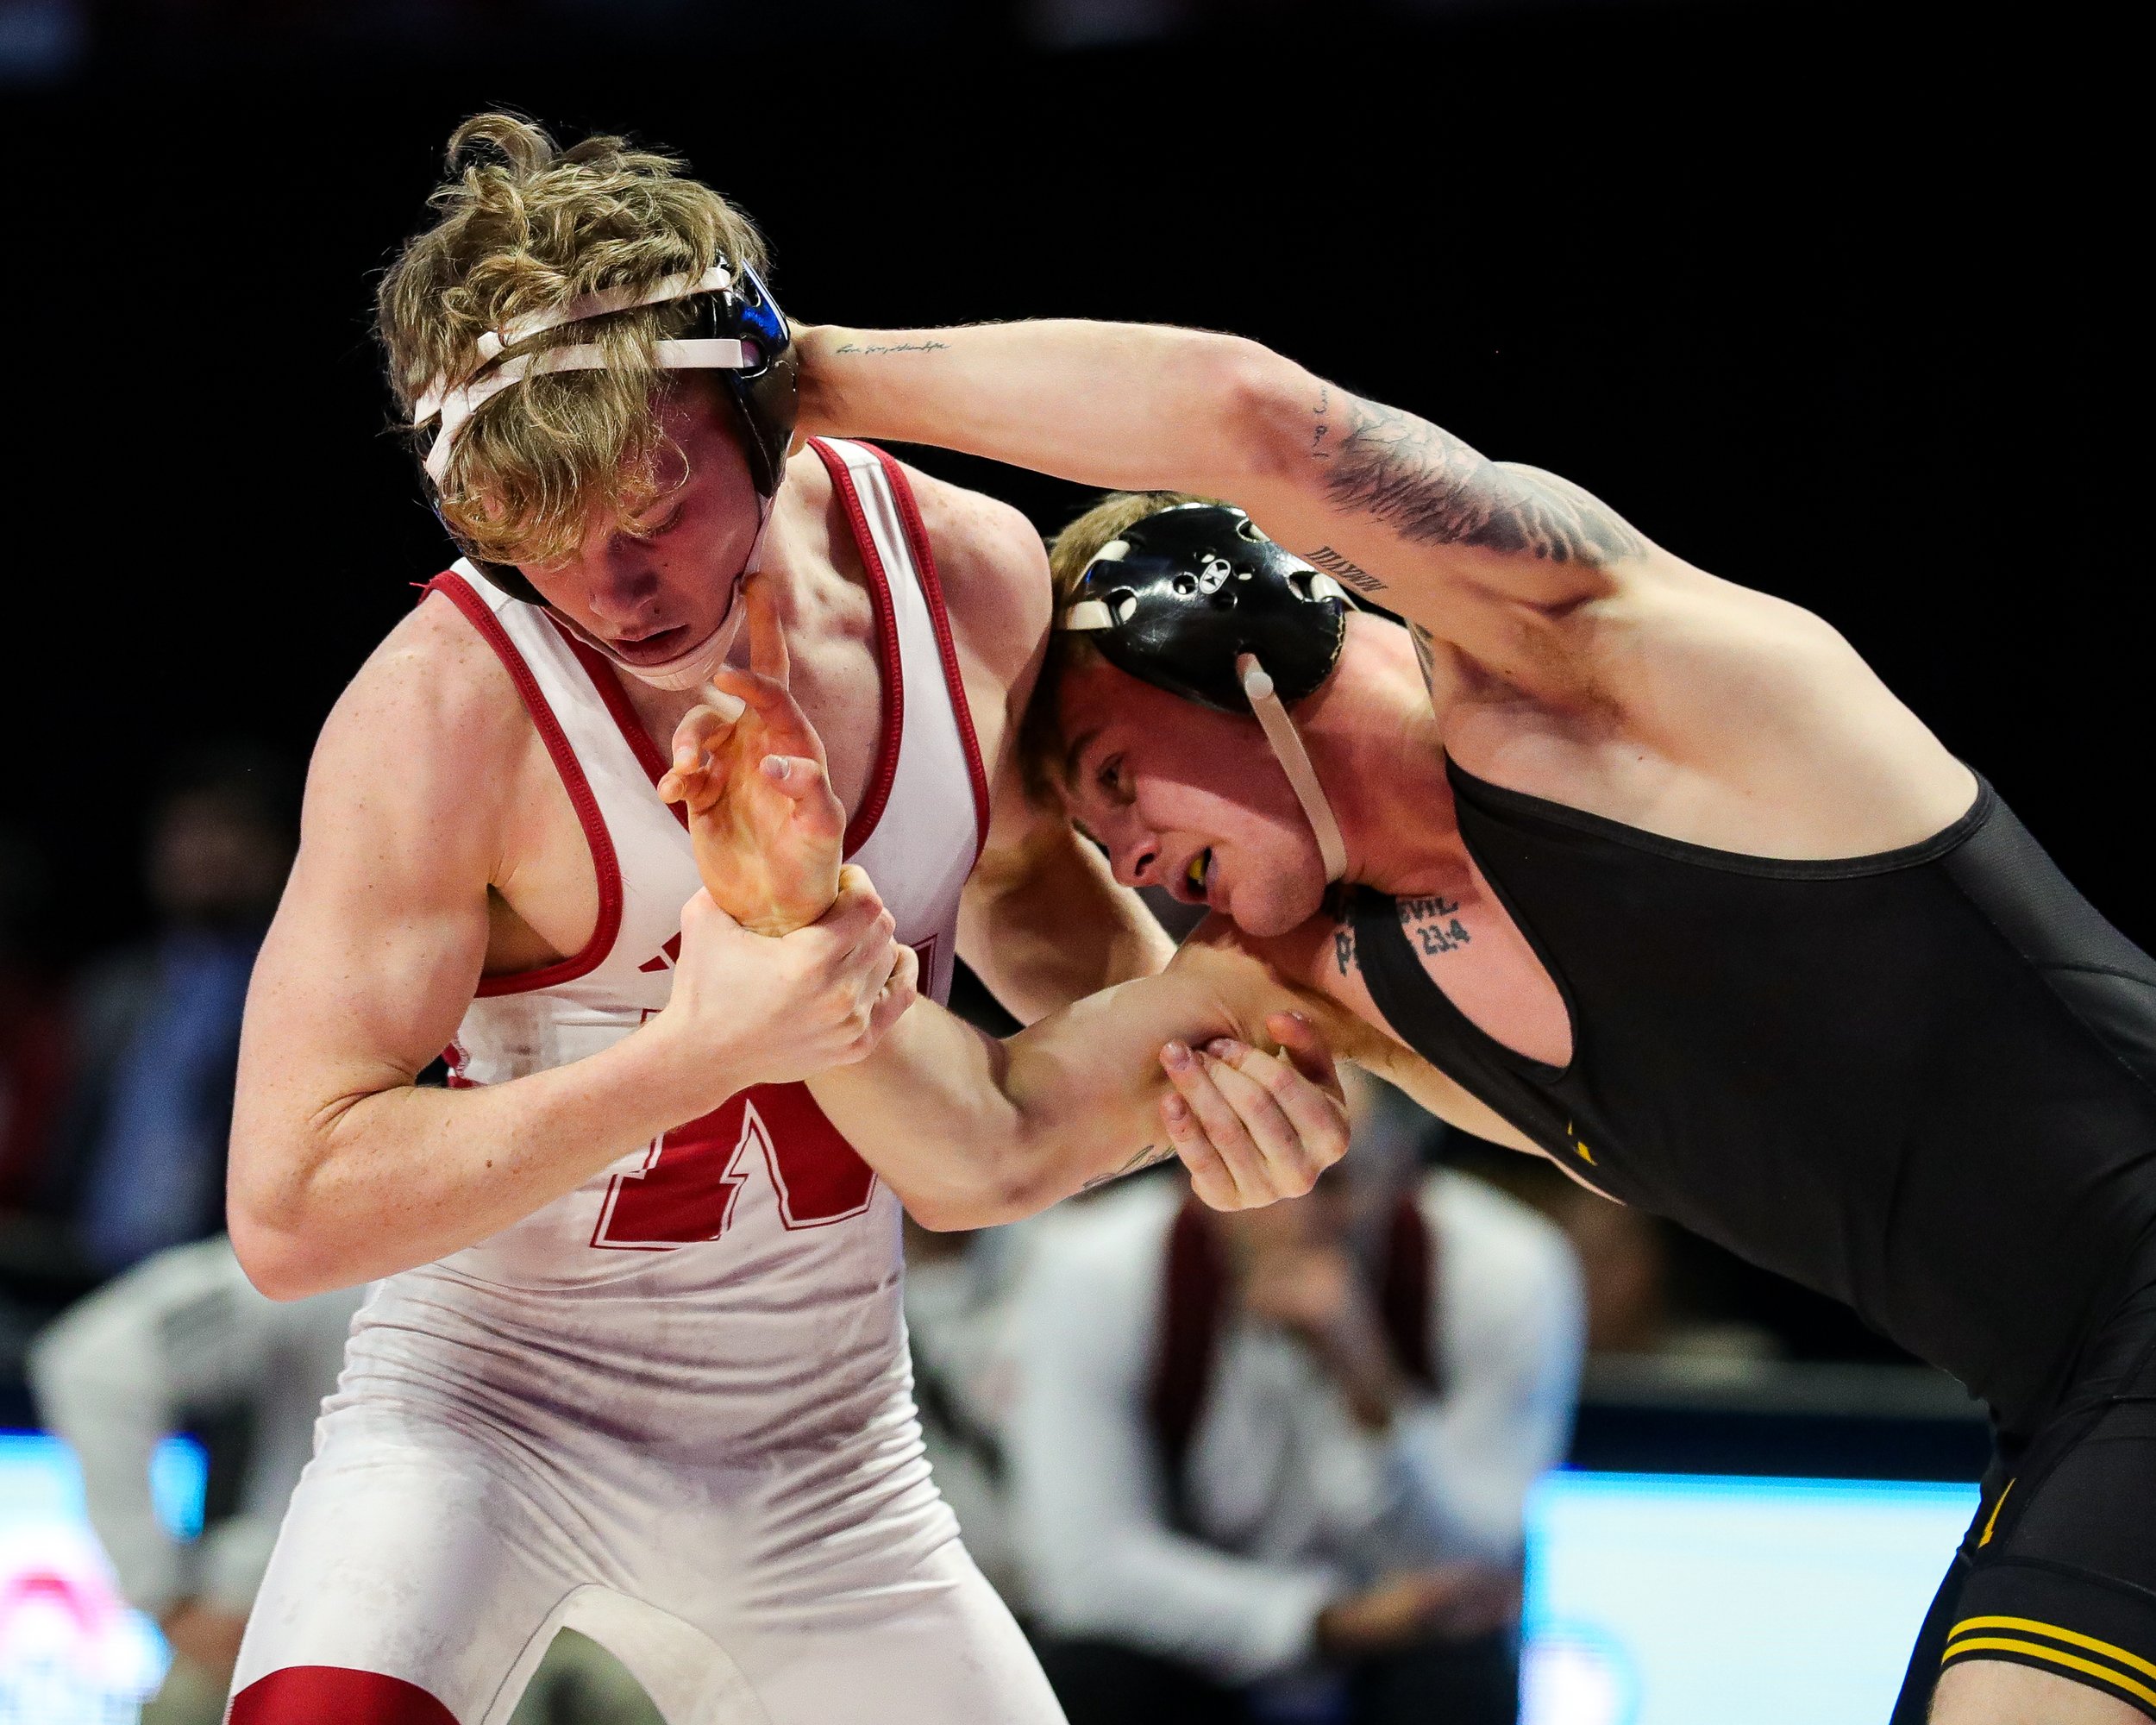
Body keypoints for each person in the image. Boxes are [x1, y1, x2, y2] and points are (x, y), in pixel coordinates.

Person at [793, 316, 2156, 1725]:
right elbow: (986, 1151)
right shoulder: (1314, 980)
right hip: (2060, 1391)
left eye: (1118, 775)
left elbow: (1244, 413)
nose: (1127, 857)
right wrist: (779, 914)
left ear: (1230, 647)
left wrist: (803, 374)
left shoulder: (1586, 672)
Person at [224, 116, 1346, 1725]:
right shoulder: (446, 708)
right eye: (534, 532)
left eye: (646, 505)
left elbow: (1030, 906)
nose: (608, 589)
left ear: (762, 410)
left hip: (828, 1468)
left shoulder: (961, 571)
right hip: (489, 1422)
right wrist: (693, 1055)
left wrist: (1210, 1085)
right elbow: (290, 1210)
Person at [1009, 1070, 1582, 1725]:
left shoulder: (1504, 1271)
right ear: (1193, 1176)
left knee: (1461, 1672)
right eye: (1256, 1175)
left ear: (1400, 1171)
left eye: (1333, 1182)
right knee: (1093, 1674)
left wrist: (1371, 1387)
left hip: (1404, 1655)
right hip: (1194, 1649)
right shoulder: (1098, 1273)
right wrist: (1324, 1624)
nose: (1298, 1215)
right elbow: (1086, 1570)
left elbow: (1472, 1564)